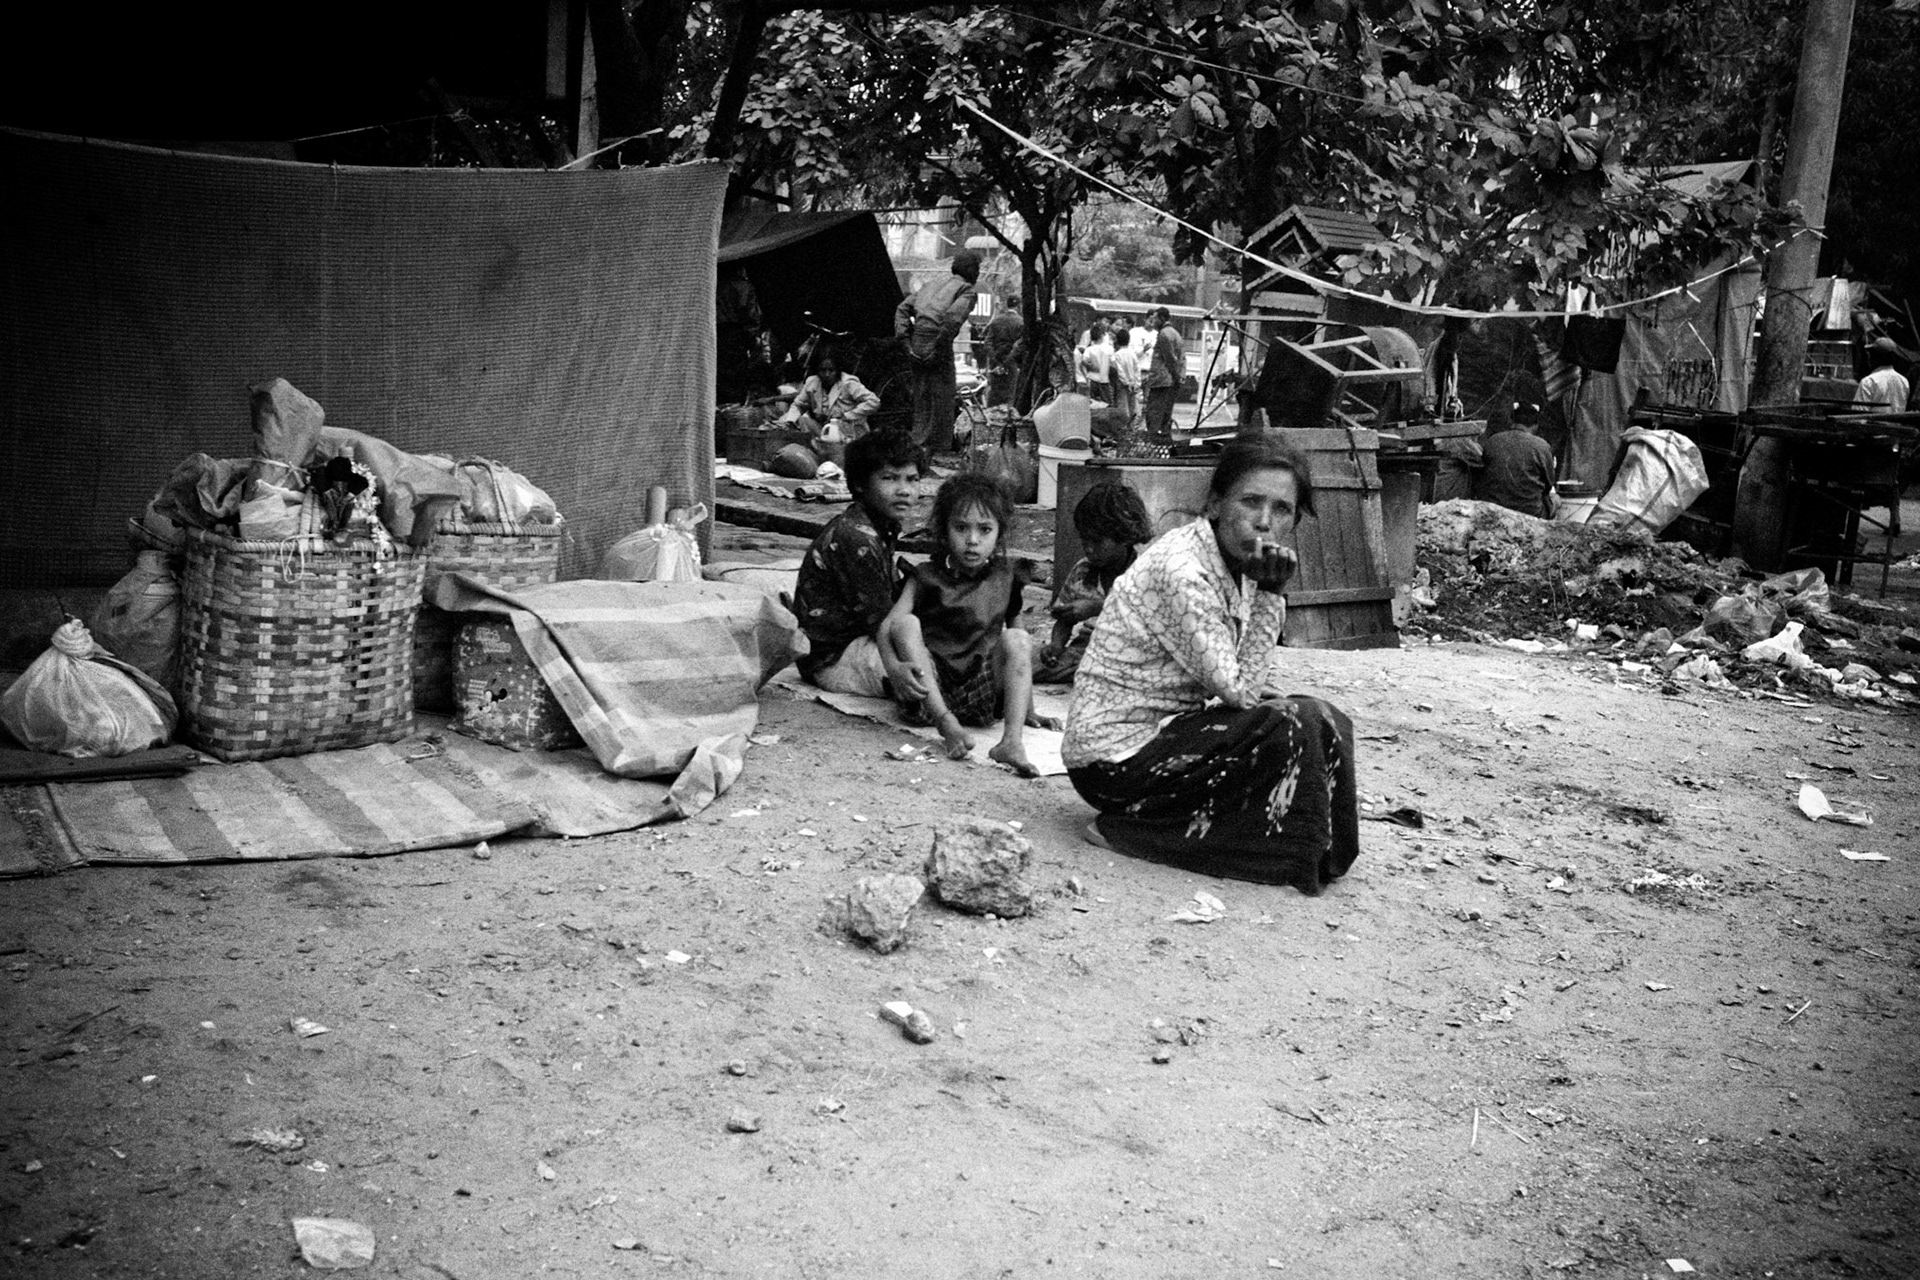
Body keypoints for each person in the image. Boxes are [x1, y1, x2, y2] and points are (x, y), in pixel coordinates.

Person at [1061, 434, 1360, 892]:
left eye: (1281, 510)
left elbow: (1236, 676)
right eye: (1250, 502)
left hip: (1165, 736)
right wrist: (1271, 596)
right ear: (1217, 504)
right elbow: (1238, 691)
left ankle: (1315, 849)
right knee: (1292, 722)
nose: (1263, 522)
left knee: (1325, 717)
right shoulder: (1184, 570)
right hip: (1111, 764)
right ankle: (1132, 829)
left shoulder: (1230, 561)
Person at [880, 472, 1055, 776]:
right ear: (944, 532)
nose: (972, 540)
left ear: (999, 535)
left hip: (982, 694)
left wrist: (1029, 708)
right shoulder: (925, 576)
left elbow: (1019, 650)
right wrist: (895, 669)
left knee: (1017, 638)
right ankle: (947, 724)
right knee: (906, 624)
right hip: (928, 692)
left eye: (984, 530)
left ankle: (1012, 742)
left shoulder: (1006, 577)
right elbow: (889, 627)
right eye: (961, 528)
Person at [791, 430, 925, 698]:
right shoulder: (855, 537)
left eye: (912, 480)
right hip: (833, 656)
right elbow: (882, 621)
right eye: (889, 478)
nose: (904, 490)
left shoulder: (883, 524)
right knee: (928, 672)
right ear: (861, 484)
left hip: (864, 635)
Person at [1037, 481, 1154, 683]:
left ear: (1124, 537)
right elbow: (1065, 621)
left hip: (1131, 651)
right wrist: (1056, 646)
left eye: (1097, 542)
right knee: (1031, 664)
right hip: (1086, 649)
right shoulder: (1083, 570)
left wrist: (1096, 608)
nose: (1089, 549)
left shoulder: (1144, 571)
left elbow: (1150, 622)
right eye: (1085, 540)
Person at [896, 251, 981, 451]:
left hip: (916, 342)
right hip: (937, 342)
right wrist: (937, 349)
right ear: (970, 270)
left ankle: (917, 445)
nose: (978, 274)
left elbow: (902, 310)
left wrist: (906, 342)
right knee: (942, 399)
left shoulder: (930, 285)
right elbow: (951, 320)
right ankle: (933, 450)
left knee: (922, 397)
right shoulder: (966, 290)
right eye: (977, 269)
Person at [1473, 405, 1558, 518]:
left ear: (1512, 421)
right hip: (1530, 512)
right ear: (1536, 425)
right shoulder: (1542, 446)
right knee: (1556, 500)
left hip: (1494, 509)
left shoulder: (1493, 440)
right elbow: (1548, 484)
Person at [778, 352, 881, 443]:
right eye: (823, 370)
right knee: (802, 421)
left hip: (850, 431)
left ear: (837, 370)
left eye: (831, 370)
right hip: (825, 430)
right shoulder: (812, 383)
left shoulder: (848, 383)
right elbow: (798, 405)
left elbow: (874, 402)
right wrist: (790, 421)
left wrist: (847, 415)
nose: (827, 375)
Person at [1143, 306, 1184, 441]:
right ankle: (1163, 440)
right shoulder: (1175, 333)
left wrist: (1176, 377)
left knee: (1154, 412)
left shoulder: (1164, 334)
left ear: (1162, 318)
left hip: (1162, 380)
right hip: (1168, 380)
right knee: (1165, 413)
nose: (1152, 321)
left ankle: (1154, 440)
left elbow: (1170, 359)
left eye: (1155, 318)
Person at [981, 296, 1025, 407]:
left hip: (995, 362)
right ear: (1018, 306)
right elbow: (1019, 346)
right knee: (1010, 393)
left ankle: (991, 417)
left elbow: (987, 342)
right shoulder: (1021, 323)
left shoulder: (996, 321)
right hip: (1011, 363)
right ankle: (1007, 418)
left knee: (995, 392)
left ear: (1007, 305)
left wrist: (995, 359)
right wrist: (1007, 361)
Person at [1855, 336, 1910, 412]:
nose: (1868, 358)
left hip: (1873, 423)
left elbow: (1858, 415)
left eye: (1870, 354)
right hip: (1895, 423)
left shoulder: (1869, 382)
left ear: (1875, 357)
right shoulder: (1903, 381)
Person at [1077, 320, 1115, 404]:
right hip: (1105, 380)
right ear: (1102, 336)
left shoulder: (1089, 349)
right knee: (1107, 402)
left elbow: (1083, 361)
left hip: (1092, 379)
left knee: (1090, 402)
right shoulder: (1109, 349)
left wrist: (1091, 367)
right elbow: (1113, 364)